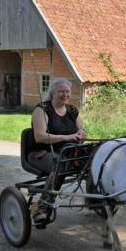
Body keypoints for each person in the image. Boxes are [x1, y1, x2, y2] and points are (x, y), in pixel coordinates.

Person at [28, 77, 86, 220]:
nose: (65, 94)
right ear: (53, 92)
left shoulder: (72, 110)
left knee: (94, 159)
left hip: (69, 152)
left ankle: (97, 200)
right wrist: (66, 137)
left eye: (67, 91)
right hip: (42, 153)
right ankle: (41, 207)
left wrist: (81, 134)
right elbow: (40, 137)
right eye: (61, 91)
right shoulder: (42, 109)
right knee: (60, 165)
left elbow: (81, 131)